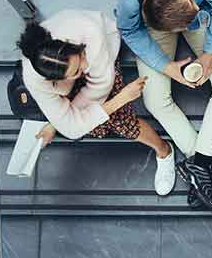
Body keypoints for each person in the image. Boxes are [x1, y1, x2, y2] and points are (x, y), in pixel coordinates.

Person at [116, 0, 212, 211]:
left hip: (203, 12)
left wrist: (210, 52)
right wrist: (167, 67)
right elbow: (128, 29)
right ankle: (202, 164)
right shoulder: (130, 0)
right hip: (156, 26)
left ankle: (199, 166)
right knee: (155, 101)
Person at [17, 10, 176, 194]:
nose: (84, 68)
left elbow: (99, 87)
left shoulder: (89, 34)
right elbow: (71, 128)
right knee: (95, 121)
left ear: (71, 45)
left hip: (103, 53)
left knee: (119, 120)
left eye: (79, 60)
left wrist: (119, 99)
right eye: (76, 72)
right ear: (53, 80)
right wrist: (61, 121)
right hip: (72, 77)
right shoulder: (34, 79)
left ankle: (164, 150)